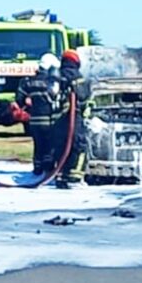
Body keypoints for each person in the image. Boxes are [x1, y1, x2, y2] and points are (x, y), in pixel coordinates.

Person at [14, 54, 62, 176]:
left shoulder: (28, 81)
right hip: (49, 120)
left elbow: (19, 99)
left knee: (38, 145)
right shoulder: (53, 83)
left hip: (34, 121)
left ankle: (37, 169)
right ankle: (48, 169)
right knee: (49, 146)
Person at [53, 50, 91, 189]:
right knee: (79, 147)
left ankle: (60, 175)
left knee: (60, 147)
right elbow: (83, 97)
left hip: (57, 121)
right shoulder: (78, 77)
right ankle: (74, 178)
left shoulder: (55, 75)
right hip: (73, 118)